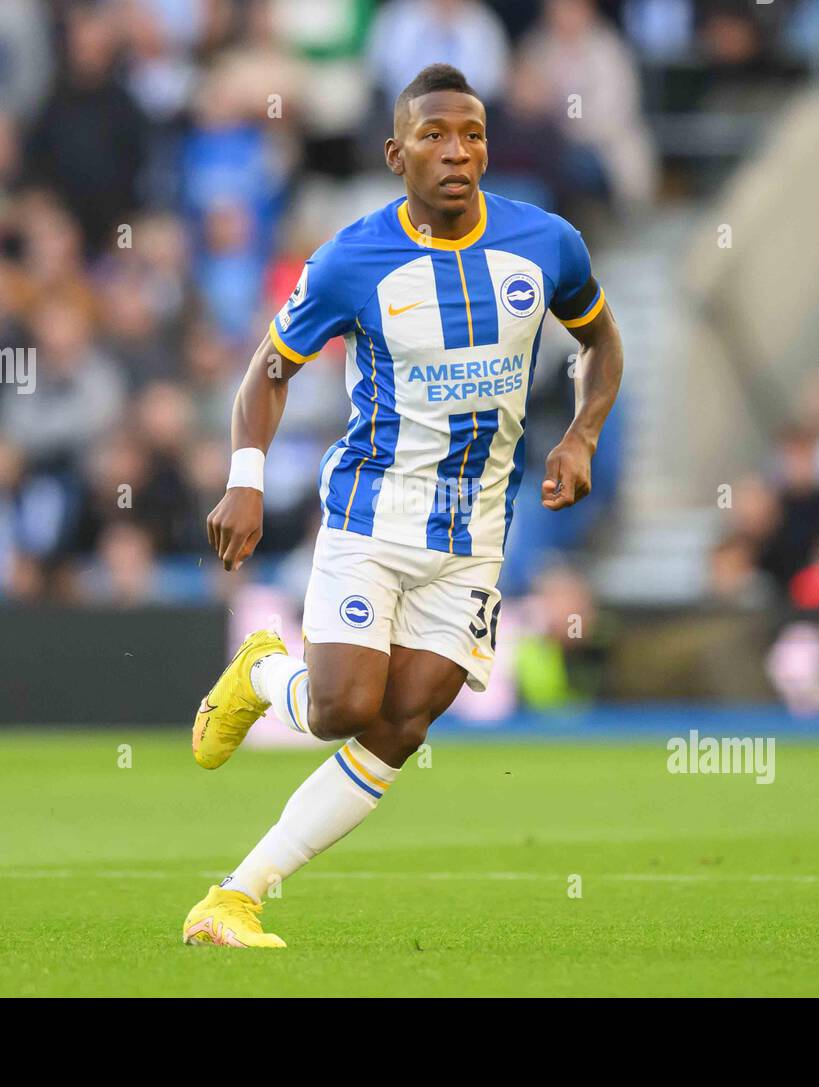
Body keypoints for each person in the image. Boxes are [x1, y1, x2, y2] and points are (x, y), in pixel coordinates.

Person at [181, 64, 623, 948]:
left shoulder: (548, 244)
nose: (457, 151)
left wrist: (582, 434)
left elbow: (601, 342)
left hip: (477, 533)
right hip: (374, 516)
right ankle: (266, 670)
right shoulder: (352, 260)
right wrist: (245, 479)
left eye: (472, 134)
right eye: (434, 136)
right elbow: (266, 375)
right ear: (397, 153)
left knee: (405, 720)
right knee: (345, 706)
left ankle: (238, 894)